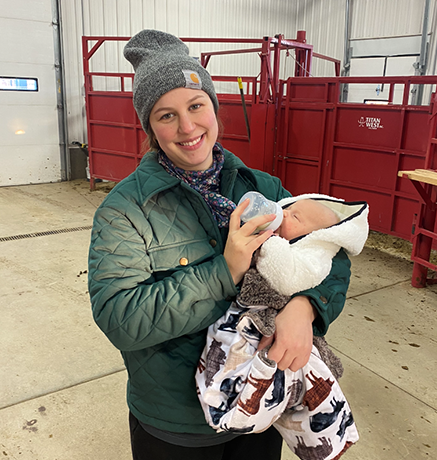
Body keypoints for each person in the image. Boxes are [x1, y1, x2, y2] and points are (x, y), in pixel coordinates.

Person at [87, 29, 352, 460]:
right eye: (166, 115)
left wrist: (307, 308)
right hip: (176, 421)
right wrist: (225, 271)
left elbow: (329, 252)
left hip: (263, 401)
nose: (187, 127)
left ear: (213, 107)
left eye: (196, 106)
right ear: (150, 128)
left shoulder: (261, 187)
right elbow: (120, 317)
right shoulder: (126, 209)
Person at [196, 194, 368, 460]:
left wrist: (305, 306)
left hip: (268, 328)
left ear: (315, 236)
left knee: (280, 380)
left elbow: (290, 276)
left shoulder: (313, 253)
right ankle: (222, 396)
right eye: (289, 209)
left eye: (295, 217)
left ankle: (323, 438)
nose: (283, 213)